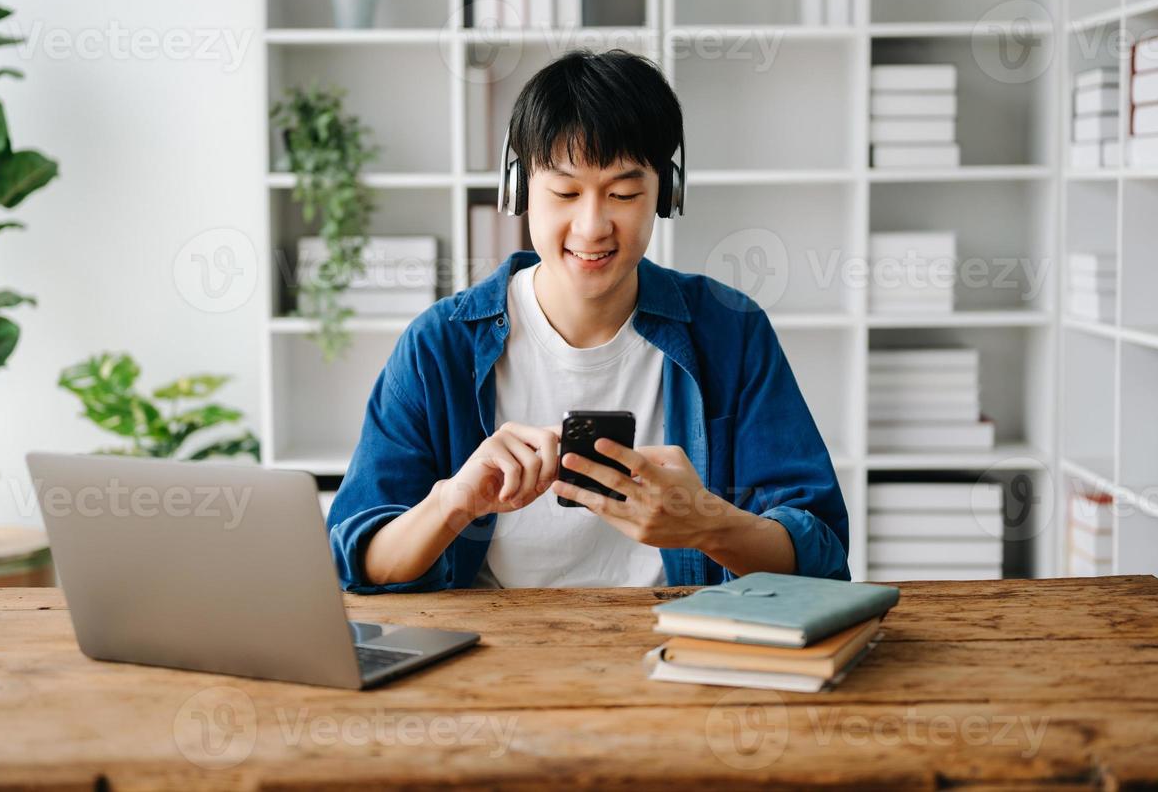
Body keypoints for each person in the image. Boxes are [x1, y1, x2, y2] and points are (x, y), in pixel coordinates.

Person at [326, 48, 849, 592]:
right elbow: (355, 560)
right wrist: (454, 503)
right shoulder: (440, 344)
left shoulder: (730, 331)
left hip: (684, 652)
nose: (592, 225)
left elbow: (823, 554)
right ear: (521, 188)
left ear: (665, 194)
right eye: (565, 192)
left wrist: (706, 523)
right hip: (492, 662)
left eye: (623, 193)